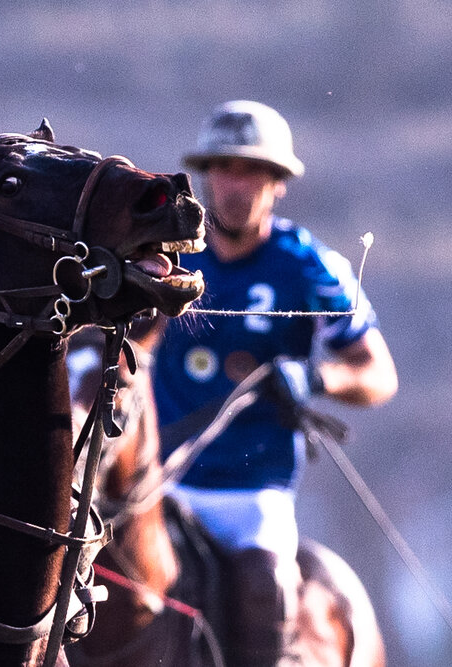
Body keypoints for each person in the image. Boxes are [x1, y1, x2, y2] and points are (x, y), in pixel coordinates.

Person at [151, 100, 398, 666]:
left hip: (250, 491)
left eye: (252, 172)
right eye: (224, 169)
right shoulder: (162, 255)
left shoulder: (311, 267)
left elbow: (378, 375)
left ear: (278, 183)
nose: (236, 186)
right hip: (157, 479)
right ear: (205, 176)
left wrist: (314, 376)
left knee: (264, 588)